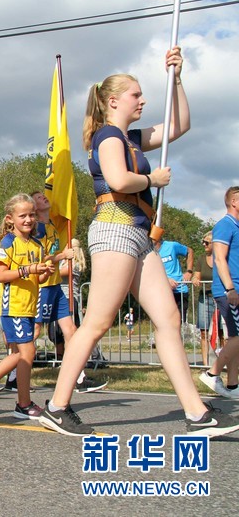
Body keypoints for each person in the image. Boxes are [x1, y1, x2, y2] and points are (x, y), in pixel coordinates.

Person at [39, 47, 239, 437]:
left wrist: (177, 77)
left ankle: (196, 413)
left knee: (168, 319)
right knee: (96, 322)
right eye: (136, 94)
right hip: (115, 229)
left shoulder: (130, 137)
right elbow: (117, 180)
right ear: (114, 101)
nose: (143, 99)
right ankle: (56, 405)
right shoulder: (108, 135)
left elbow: (179, 126)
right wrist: (152, 180)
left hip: (137, 234)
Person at [0, 194, 50, 419]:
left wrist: (43, 273)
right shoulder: (8, 242)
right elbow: (2, 275)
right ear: (10, 219)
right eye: (23, 215)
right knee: (26, 352)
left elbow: (39, 279)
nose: (28, 219)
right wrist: (29, 270)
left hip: (28, 306)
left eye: (32, 215)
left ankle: (18, 401)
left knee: (21, 353)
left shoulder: (36, 245)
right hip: (12, 306)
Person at [31, 191, 106, 393]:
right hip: (43, 286)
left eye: (43, 195)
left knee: (71, 330)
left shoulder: (54, 227)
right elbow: (39, 258)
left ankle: (78, 378)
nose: (44, 197)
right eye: (38, 197)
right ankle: (14, 375)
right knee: (35, 331)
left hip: (56, 287)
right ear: (33, 207)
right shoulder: (37, 228)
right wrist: (62, 256)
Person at [199, 187, 239, 399]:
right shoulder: (224, 225)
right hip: (229, 290)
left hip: (235, 289)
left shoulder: (236, 226)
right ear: (234, 201)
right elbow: (219, 259)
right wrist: (230, 288)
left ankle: (233, 385)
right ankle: (212, 373)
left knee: (235, 337)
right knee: (238, 337)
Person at [193, 231, 222, 365]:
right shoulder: (200, 259)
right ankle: (206, 364)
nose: (204, 244)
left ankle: (223, 362)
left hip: (220, 298)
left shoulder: (222, 258)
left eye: (206, 242)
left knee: (222, 333)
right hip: (205, 298)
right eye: (203, 242)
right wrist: (194, 278)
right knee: (204, 331)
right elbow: (196, 275)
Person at [155, 237, 194, 324]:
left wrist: (189, 271)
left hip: (180, 290)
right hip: (162, 291)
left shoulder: (171, 246)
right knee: (164, 323)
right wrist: (166, 280)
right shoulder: (148, 252)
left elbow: (189, 251)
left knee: (179, 323)